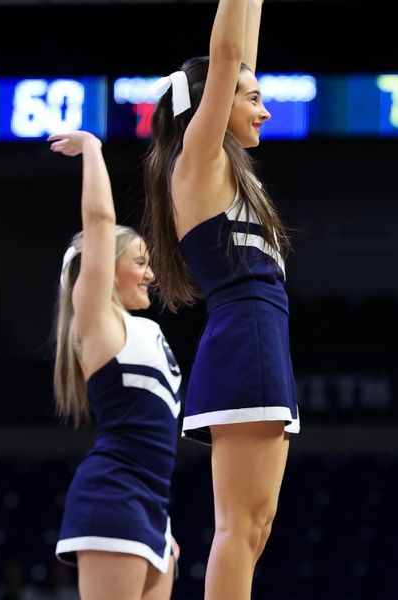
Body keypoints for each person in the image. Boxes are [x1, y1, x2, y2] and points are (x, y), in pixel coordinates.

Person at [142, 0, 299, 597]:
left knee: (253, 529)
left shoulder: (222, 165)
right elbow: (229, 56)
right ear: (215, 105)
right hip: (246, 341)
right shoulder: (197, 160)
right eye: (251, 98)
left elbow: (239, 59)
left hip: (256, 340)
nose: (265, 107)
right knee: (242, 528)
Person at [48, 130, 181, 600]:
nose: (151, 273)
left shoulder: (147, 330)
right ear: (106, 269)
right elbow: (101, 221)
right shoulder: (99, 321)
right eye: (140, 261)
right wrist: (92, 149)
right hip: (114, 495)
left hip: (154, 505)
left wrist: (163, 523)